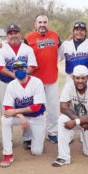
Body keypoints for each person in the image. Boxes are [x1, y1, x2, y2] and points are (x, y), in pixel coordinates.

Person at [52, 65, 88, 167]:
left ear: (87, 78)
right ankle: (63, 157)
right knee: (62, 120)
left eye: (83, 78)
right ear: (72, 78)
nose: (80, 81)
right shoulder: (68, 87)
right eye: (77, 78)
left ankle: (85, 139)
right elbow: (63, 107)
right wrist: (77, 120)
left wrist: (77, 122)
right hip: (76, 119)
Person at [0, 60, 46, 168]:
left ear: (26, 69)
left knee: (37, 152)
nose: (20, 70)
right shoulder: (11, 85)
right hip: (22, 117)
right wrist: (21, 117)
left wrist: (16, 111)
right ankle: (8, 154)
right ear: (13, 71)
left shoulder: (37, 82)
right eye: (17, 69)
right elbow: (7, 108)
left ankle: (31, 135)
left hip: (37, 117)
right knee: (5, 119)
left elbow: (37, 106)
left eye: (22, 68)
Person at [24, 14, 61, 144]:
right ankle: (29, 136)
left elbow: (61, 50)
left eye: (45, 22)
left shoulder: (55, 36)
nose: (42, 25)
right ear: (35, 24)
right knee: (32, 107)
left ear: (48, 24)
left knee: (52, 107)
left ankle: (52, 132)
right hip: (34, 79)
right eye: (39, 22)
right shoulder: (28, 38)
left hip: (52, 78)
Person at [0, 24, 37, 112]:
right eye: (11, 33)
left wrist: (23, 76)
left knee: (25, 110)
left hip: (24, 84)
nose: (13, 35)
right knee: (6, 112)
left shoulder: (28, 49)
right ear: (7, 36)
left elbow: (32, 66)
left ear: (20, 34)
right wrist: (15, 76)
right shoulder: (2, 50)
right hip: (6, 83)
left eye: (16, 33)